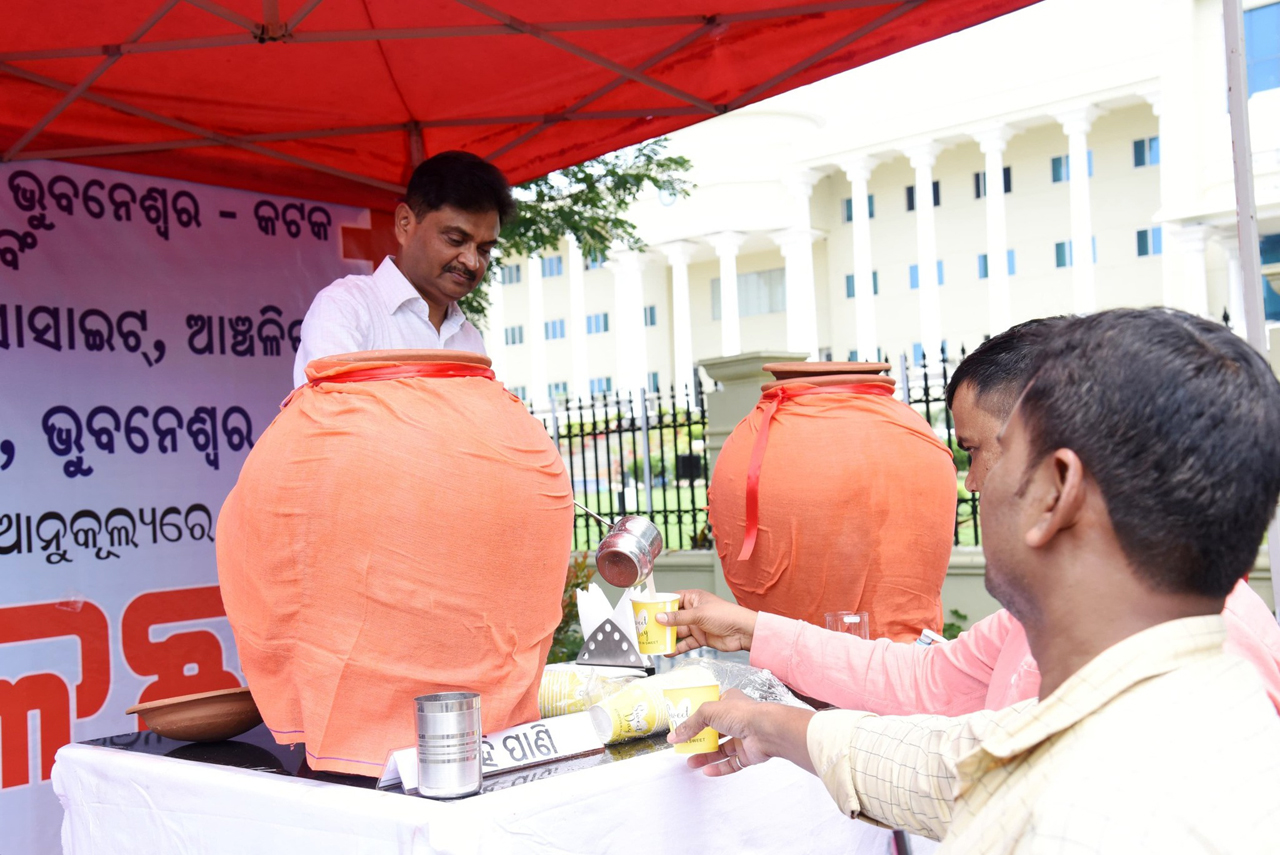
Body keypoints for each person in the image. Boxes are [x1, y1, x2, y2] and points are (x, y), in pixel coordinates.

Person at [668, 309, 1280, 851]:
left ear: (1056, 490)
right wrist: (769, 713)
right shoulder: (1155, 690)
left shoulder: (1095, 805)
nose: (972, 485)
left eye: (990, 450)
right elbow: (955, 756)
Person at [292, 150, 515, 387]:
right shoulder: (346, 307)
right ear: (405, 223)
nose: (472, 262)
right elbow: (331, 408)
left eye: (484, 250)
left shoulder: (469, 339)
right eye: (455, 240)